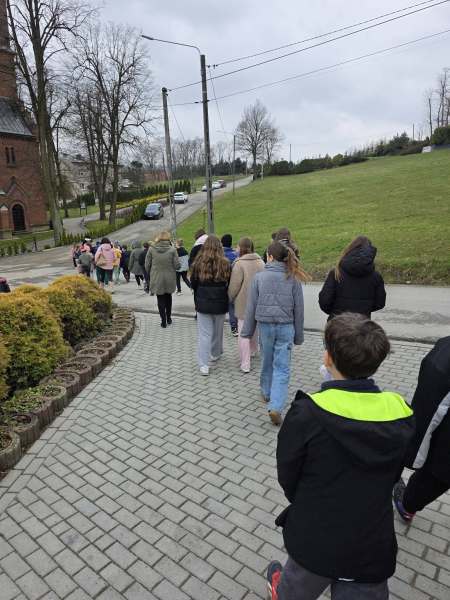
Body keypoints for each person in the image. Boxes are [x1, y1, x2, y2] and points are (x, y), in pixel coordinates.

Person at [267, 313, 414, 600]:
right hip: (370, 545)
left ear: (328, 358)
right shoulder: (401, 412)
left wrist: (306, 501)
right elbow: (395, 473)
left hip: (314, 539)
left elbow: (288, 473)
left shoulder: (307, 413)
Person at [241, 241, 308, 425]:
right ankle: (276, 406)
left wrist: (247, 332)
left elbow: (251, 307)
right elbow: (299, 310)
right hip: (286, 327)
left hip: (265, 327)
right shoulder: (293, 278)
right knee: (282, 367)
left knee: (267, 360)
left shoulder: (259, 278)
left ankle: (266, 392)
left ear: (270, 257)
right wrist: (299, 336)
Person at [393, 336, 450, 523]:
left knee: (436, 475)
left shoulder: (445, 353)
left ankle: (407, 506)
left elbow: (427, 408)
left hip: (444, 453)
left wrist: (412, 455)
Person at [190, 235, 231, 376]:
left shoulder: (198, 263)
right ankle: (215, 353)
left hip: (203, 303)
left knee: (204, 334)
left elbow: (193, 283)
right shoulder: (225, 263)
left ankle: (204, 364)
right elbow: (228, 282)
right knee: (218, 331)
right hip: (220, 302)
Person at [319, 236, 386, 320]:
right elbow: (380, 303)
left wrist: (335, 313)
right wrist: (364, 310)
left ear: (350, 249)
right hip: (363, 323)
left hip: (337, 323)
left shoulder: (336, 273)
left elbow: (324, 301)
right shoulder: (376, 276)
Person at [228, 237, 265, 373]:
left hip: (243, 303)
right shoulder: (261, 262)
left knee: (243, 332)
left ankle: (245, 363)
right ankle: (253, 350)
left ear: (241, 248)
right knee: (254, 328)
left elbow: (234, 286)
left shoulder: (239, 264)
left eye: (237, 246)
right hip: (259, 301)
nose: (236, 249)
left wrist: (230, 297)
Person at [145, 231, 180, 328]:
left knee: (160, 298)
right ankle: (169, 318)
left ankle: (163, 321)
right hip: (170, 277)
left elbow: (147, 265)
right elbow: (177, 266)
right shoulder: (172, 249)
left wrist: (150, 273)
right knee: (168, 297)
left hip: (156, 277)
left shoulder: (151, 249)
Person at [221, 234, 239, 337]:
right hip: (235, 282)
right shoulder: (235, 255)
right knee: (233, 305)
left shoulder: (220, 255)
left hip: (223, 283)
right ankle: (235, 327)